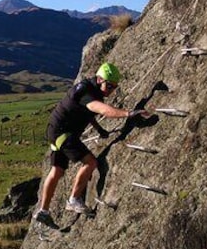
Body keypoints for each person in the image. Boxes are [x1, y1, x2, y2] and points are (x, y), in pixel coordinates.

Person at [33, 62, 158, 228]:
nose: (111, 90)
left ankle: (43, 211)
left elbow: (87, 112)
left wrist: (100, 129)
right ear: (99, 80)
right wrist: (128, 114)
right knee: (91, 162)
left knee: (57, 170)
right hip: (63, 133)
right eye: (109, 85)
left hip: (55, 131)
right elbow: (100, 109)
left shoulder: (89, 90)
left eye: (114, 87)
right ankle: (74, 199)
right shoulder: (87, 92)